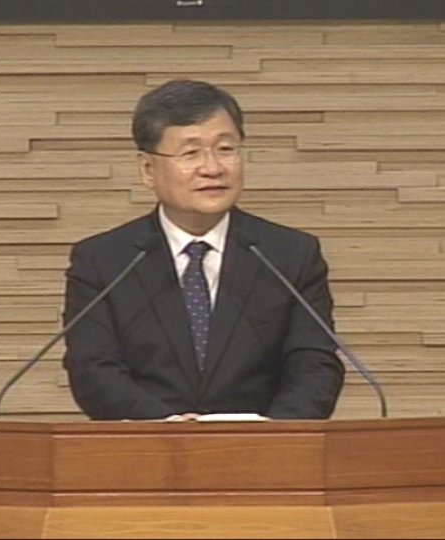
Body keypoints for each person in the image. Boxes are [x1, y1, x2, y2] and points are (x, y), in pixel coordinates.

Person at [63, 79, 345, 421]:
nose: (212, 168)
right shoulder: (103, 261)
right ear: (147, 169)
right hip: (145, 447)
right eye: (190, 153)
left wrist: (272, 435)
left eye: (226, 149)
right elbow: (92, 369)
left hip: (264, 448)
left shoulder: (290, 255)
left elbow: (314, 365)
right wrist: (168, 427)